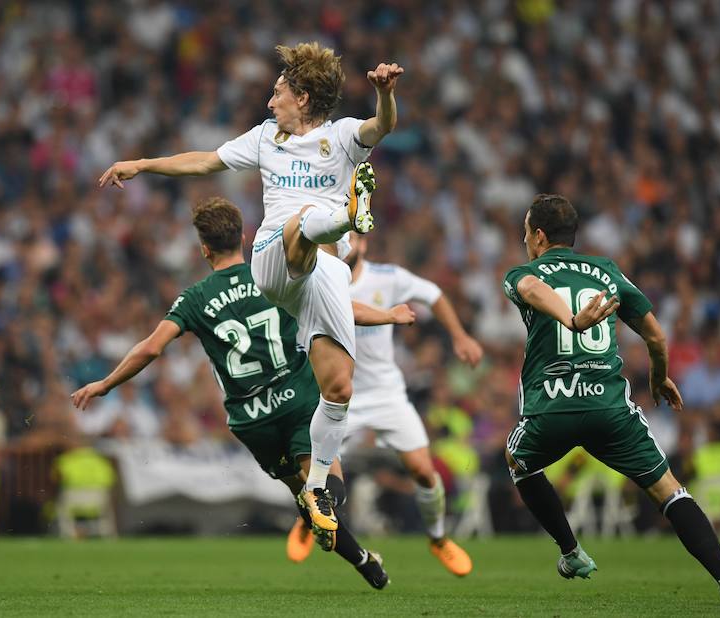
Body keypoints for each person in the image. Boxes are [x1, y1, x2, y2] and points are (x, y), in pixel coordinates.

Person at [99, 42, 403, 533]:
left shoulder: (343, 136)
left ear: (302, 98)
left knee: (340, 388)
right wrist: (142, 164)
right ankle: (350, 214)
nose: (269, 102)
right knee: (301, 223)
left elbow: (382, 125)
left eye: (278, 93)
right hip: (271, 258)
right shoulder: (265, 138)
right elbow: (203, 162)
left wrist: (385, 93)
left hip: (322, 274)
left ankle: (318, 487)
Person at [71, 198, 415, 589]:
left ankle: (363, 560)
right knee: (325, 481)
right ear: (245, 237)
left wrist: (105, 384)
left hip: (252, 419)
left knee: (304, 493)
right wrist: (389, 315)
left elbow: (151, 347)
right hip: (297, 397)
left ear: (204, 249)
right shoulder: (273, 277)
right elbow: (336, 307)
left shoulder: (194, 298)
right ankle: (323, 511)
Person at [502, 194, 720, 608]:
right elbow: (657, 336)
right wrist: (659, 378)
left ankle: (572, 552)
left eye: (524, 234)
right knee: (669, 490)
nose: (524, 243)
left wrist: (571, 321)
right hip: (609, 408)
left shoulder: (526, 270)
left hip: (551, 407)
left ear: (538, 236)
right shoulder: (606, 271)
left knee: (518, 461)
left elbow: (531, 287)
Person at [286, 233, 481, 576]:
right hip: (337, 394)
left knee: (423, 470)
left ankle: (438, 539)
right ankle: (309, 519)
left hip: (386, 393)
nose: (345, 245)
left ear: (362, 244)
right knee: (317, 470)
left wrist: (460, 335)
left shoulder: (388, 278)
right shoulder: (317, 279)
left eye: (351, 239)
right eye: (338, 239)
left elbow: (433, 295)